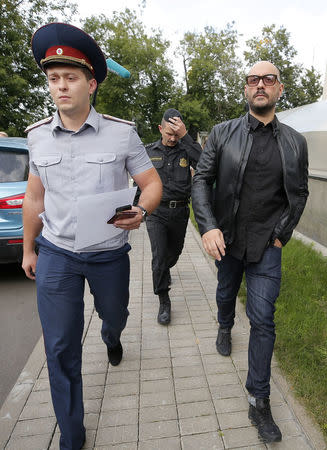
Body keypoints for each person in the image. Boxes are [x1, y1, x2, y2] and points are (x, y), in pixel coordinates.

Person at [22, 23, 162, 450]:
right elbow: (33, 197)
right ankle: (71, 434)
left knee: (113, 314)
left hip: (108, 255)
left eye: (71, 78)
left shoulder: (122, 133)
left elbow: (152, 183)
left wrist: (141, 209)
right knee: (61, 347)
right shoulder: (36, 136)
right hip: (57, 255)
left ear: (91, 83)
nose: (61, 87)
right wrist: (29, 248)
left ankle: (113, 336)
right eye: (53, 79)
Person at [192, 61, 308, 443]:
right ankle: (224, 325)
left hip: (266, 246)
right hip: (227, 239)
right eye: (254, 79)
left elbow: (299, 193)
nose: (261, 85)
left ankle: (259, 399)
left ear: (279, 88)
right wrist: (208, 226)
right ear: (245, 89)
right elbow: (202, 181)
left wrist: (280, 235)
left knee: (263, 320)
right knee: (226, 293)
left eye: (268, 79)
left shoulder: (294, 141)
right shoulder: (223, 134)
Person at [142, 109, 202, 325]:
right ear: (160, 129)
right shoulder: (148, 152)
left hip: (180, 212)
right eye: (169, 133)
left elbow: (205, 165)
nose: (172, 138)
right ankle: (164, 299)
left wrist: (186, 138)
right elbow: (140, 181)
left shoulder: (186, 150)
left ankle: (164, 271)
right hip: (156, 212)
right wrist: (137, 209)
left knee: (172, 255)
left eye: (177, 134)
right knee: (159, 257)